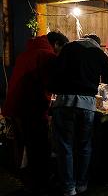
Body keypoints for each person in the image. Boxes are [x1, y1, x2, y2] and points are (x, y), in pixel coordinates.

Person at [2, 31, 68, 194]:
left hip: (14, 107)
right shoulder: (47, 55)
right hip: (30, 109)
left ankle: (28, 181)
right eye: (61, 50)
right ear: (57, 44)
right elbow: (52, 84)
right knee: (40, 147)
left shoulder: (27, 53)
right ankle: (41, 185)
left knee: (26, 146)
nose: (60, 54)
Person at [51, 34, 108, 196]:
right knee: (84, 145)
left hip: (64, 102)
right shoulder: (100, 53)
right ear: (97, 43)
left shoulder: (67, 48)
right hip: (87, 104)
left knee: (65, 146)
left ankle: (68, 187)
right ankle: (82, 184)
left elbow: (55, 72)